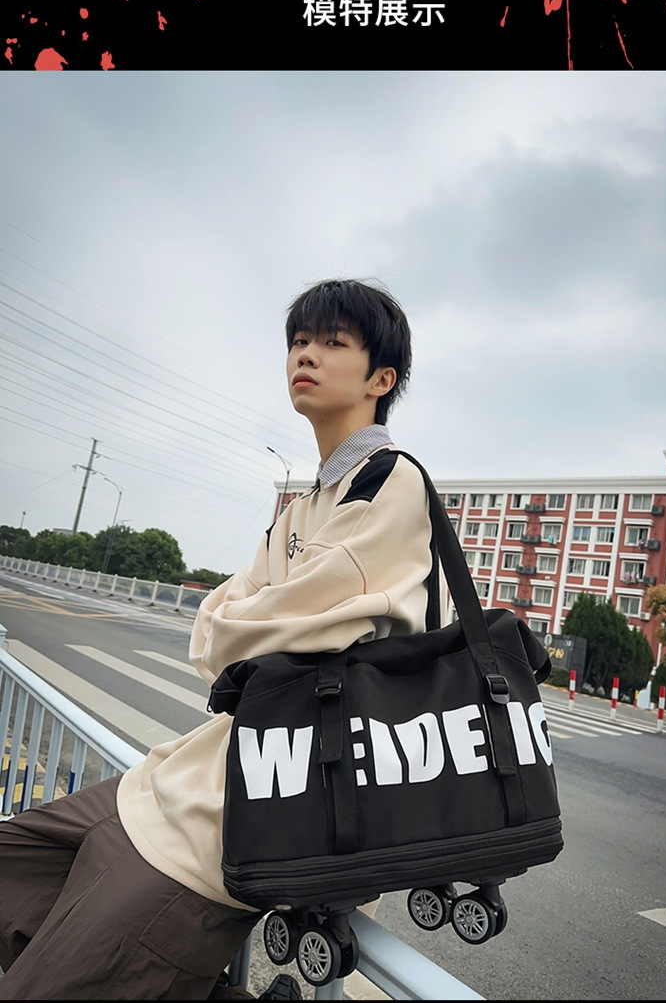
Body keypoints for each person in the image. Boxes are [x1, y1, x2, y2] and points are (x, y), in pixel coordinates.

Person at [0, 278, 436, 1000]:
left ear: (380, 379)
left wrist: (242, 624)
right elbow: (219, 630)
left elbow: (256, 630)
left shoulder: (389, 484)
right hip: (183, 779)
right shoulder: (303, 506)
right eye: (299, 341)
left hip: (250, 810)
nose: (306, 354)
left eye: (333, 342)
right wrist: (244, 625)